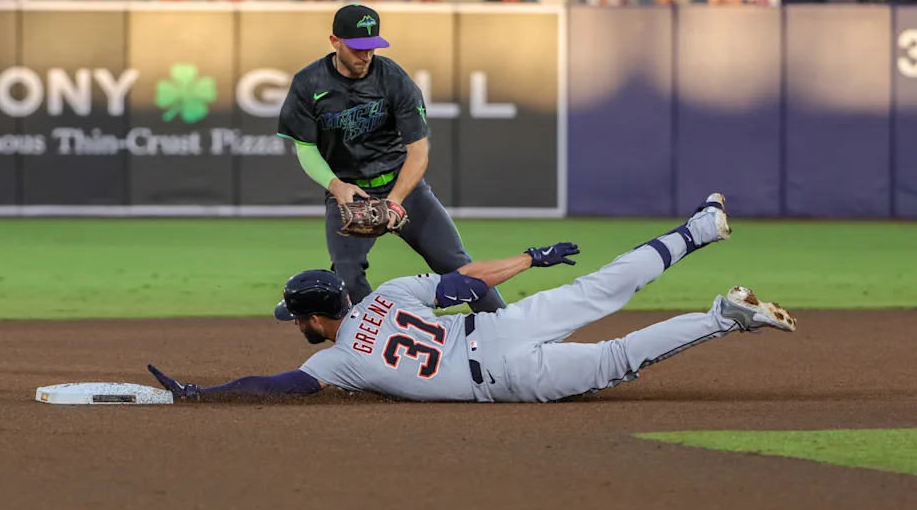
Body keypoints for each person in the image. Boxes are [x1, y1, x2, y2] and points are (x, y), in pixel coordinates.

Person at [148, 194, 797, 404]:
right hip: (504, 328)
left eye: (298, 318)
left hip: (505, 376)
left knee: (618, 359)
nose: (297, 327)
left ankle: (725, 317)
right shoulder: (391, 294)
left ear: (318, 317)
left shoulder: (334, 362)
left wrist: (207, 394)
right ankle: (700, 229)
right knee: (601, 286)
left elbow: (276, 386)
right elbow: (467, 284)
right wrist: (531, 259)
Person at [275, 4, 508, 314]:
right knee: (346, 274)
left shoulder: (393, 77)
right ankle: (375, 338)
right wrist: (335, 186)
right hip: (351, 193)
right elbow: (305, 148)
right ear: (334, 41)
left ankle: (508, 330)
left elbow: (418, 151)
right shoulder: (309, 83)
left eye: (371, 46)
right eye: (357, 47)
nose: (366, 55)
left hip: (403, 186)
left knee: (456, 264)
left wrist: (395, 202)